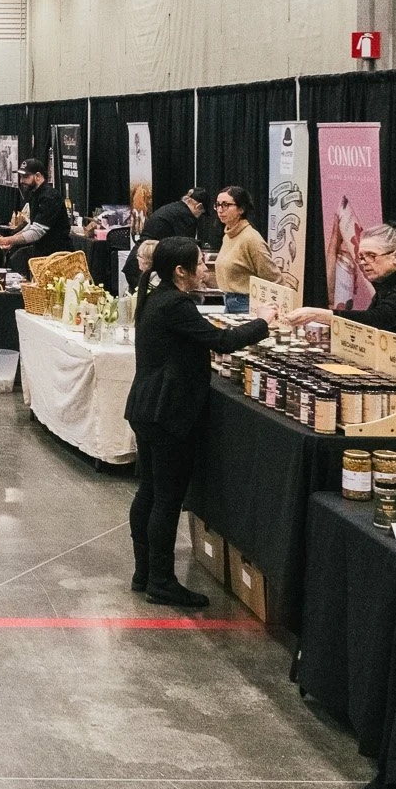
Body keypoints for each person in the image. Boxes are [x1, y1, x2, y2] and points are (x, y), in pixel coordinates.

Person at [125, 237, 270, 607]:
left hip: (146, 407)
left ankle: (144, 573)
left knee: (150, 492)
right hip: (166, 412)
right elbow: (221, 341)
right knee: (166, 500)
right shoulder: (175, 304)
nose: (206, 270)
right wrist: (265, 323)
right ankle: (160, 580)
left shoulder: (155, 297)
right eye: (202, 264)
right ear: (181, 271)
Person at [288, 222, 396, 374]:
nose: (364, 263)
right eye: (361, 257)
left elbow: (376, 320)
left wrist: (319, 315)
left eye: (371, 256)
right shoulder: (387, 287)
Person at [211, 185, 283, 310]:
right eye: (217, 205)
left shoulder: (251, 238)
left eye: (226, 204)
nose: (220, 210)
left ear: (241, 209)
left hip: (246, 303)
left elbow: (274, 278)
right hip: (228, 300)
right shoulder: (228, 235)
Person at [0, 160, 72, 261]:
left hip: (57, 256)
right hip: (42, 253)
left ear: (38, 176)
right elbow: (32, 225)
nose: (21, 181)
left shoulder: (50, 197)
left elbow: (37, 231)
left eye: (25, 177)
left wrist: (5, 240)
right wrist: (12, 241)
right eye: (21, 177)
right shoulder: (35, 194)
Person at [142, 187, 209, 244]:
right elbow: (187, 247)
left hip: (143, 249)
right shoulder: (187, 217)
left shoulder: (174, 208)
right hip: (151, 253)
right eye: (201, 213)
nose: (199, 217)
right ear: (198, 206)